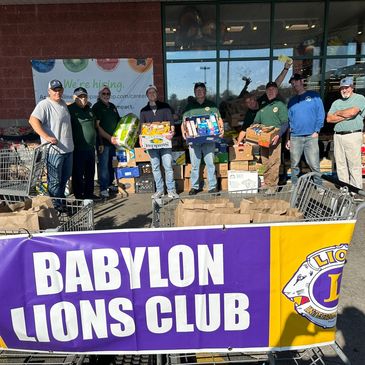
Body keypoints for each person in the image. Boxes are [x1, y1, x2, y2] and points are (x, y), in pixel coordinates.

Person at [29, 79, 73, 208]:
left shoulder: (63, 104)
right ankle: (56, 208)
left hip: (68, 150)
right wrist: (47, 137)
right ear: (49, 91)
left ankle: (61, 204)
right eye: (54, 90)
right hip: (55, 152)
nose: (57, 92)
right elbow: (33, 120)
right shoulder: (44, 105)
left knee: (64, 180)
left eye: (59, 89)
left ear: (62, 90)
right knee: (54, 182)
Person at [181, 82, 224, 195]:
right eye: (197, 90)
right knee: (195, 165)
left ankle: (212, 186)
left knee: (210, 163)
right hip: (194, 140)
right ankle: (194, 187)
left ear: (205, 92)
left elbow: (219, 120)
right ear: (194, 92)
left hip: (209, 140)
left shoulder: (211, 105)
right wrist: (184, 133)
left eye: (201, 90)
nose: (199, 92)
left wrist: (222, 130)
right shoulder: (190, 106)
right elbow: (184, 122)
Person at [236, 61, 292, 144]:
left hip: (277, 136)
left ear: (254, 98)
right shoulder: (249, 115)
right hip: (262, 139)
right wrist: (237, 144)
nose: (251, 103)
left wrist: (286, 68)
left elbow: (276, 83)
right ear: (246, 105)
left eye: (251, 100)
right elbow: (244, 130)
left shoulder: (265, 100)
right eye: (248, 102)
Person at [140, 85, 178, 199]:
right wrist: (141, 140)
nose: (152, 94)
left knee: (168, 167)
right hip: (151, 145)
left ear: (157, 94)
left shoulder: (165, 107)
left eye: (154, 92)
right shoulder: (143, 111)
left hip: (165, 143)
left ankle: (171, 190)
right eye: (149, 92)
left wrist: (172, 133)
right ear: (147, 95)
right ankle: (160, 190)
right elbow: (142, 128)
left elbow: (171, 124)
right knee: (155, 167)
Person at [286, 73, 325, 186]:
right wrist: (288, 139)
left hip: (310, 136)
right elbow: (289, 121)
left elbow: (321, 114)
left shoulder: (314, 96)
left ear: (302, 81)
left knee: (314, 164)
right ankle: (295, 186)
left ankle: (319, 186)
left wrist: (316, 130)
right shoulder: (292, 101)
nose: (294, 85)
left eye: (296, 82)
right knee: (294, 164)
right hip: (295, 137)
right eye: (292, 83)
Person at [327, 76, 365, 189]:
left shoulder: (360, 98)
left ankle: (356, 190)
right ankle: (345, 190)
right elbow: (329, 119)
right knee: (341, 165)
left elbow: (352, 112)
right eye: (342, 88)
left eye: (347, 87)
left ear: (352, 87)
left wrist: (338, 113)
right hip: (338, 136)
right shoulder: (336, 102)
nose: (344, 90)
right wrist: (345, 115)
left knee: (354, 165)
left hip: (352, 135)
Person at [254, 81, 288, 189]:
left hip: (275, 138)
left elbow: (285, 123)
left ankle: (272, 186)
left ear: (277, 91)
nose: (270, 91)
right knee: (265, 161)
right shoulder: (263, 106)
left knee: (274, 162)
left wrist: (278, 135)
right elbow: (256, 122)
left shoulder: (280, 105)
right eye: (268, 90)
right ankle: (267, 182)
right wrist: (254, 131)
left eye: (273, 89)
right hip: (263, 139)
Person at [68, 87, 99, 200]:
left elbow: (95, 127)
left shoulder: (90, 109)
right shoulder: (69, 109)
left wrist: (98, 143)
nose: (83, 98)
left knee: (90, 173)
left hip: (90, 148)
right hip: (78, 149)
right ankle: (79, 197)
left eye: (84, 96)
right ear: (74, 98)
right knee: (78, 175)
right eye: (80, 96)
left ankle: (89, 195)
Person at [92, 85, 120, 198]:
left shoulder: (112, 106)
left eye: (108, 94)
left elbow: (119, 121)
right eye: (104, 93)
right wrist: (109, 138)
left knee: (111, 164)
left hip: (113, 143)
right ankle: (103, 188)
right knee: (103, 166)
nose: (106, 96)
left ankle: (109, 184)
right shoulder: (97, 107)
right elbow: (97, 127)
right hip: (103, 143)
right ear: (99, 95)